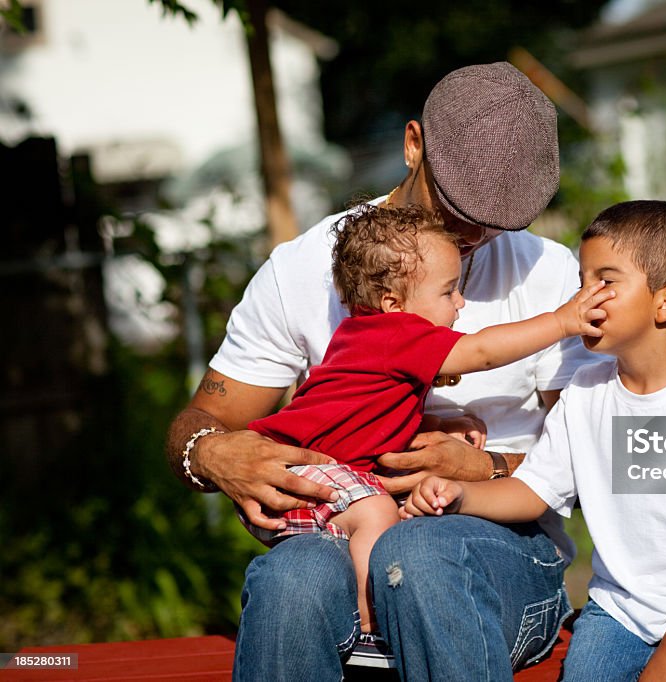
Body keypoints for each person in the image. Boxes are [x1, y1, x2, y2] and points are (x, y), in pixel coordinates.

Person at [165, 62, 598, 680]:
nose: (475, 230)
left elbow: (599, 459)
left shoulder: (550, 276)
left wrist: (488, 468)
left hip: (503, 546)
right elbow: (203, 419)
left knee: (419, 554)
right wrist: (214, 455)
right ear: (412, 144)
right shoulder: (302, 271)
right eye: (457, 204)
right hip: (347, 539)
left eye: (501, 218)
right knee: (290, 578)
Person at [403, 200, 666, 682]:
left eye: (605, 281)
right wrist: (461, 496)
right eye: (582, 281)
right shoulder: (584, 392)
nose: (583, 297)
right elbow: (535, 488)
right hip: (615, 611)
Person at [238, 202, 609, 644]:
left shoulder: (364, 336)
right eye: (449, 291)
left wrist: (443, 420)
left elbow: (368, 413)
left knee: (384, 534)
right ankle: (370, 617)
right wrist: (561, 321)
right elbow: (481, 351)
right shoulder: (399, 333)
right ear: (394, 303)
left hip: (299, 476)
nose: (461, 301)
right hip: (298, 476)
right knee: (377, 514)